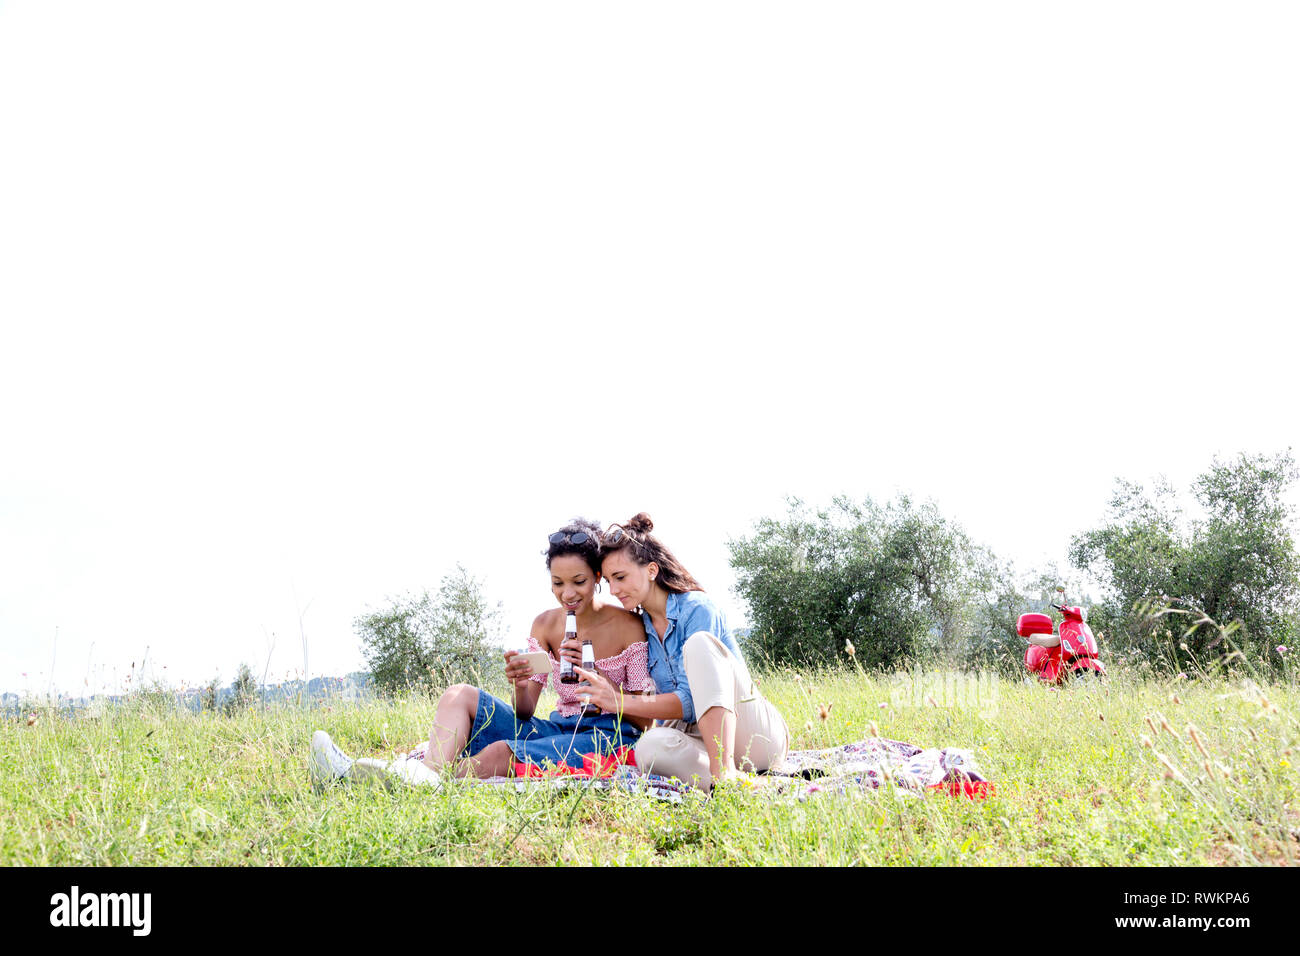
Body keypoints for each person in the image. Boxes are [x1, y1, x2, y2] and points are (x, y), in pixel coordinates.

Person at [310, 518, 654, 790]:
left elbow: (644, 720)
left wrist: (598, 679)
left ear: (597, 576)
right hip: (557, 728)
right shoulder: (546, 625)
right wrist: (520, 684)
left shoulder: (628, 625)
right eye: (557, 583)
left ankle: (392, 779)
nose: (567, 593)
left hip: (608, 736)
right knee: (458, 695)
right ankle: (422, 775)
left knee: (500, 754)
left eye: (578, 581)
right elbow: (525, 712)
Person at [574, 513, 790, 792]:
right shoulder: (640, 629)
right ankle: (744, 784)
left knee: (699, 644)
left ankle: (724, 776)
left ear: (652, 570)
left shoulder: (697, 608)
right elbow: (656, 708)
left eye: (621, 577)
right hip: (698, 739)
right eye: (610, 582)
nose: (614, 590)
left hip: (753, 735)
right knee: (649, 749)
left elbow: (688, 701)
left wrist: (619, 701)